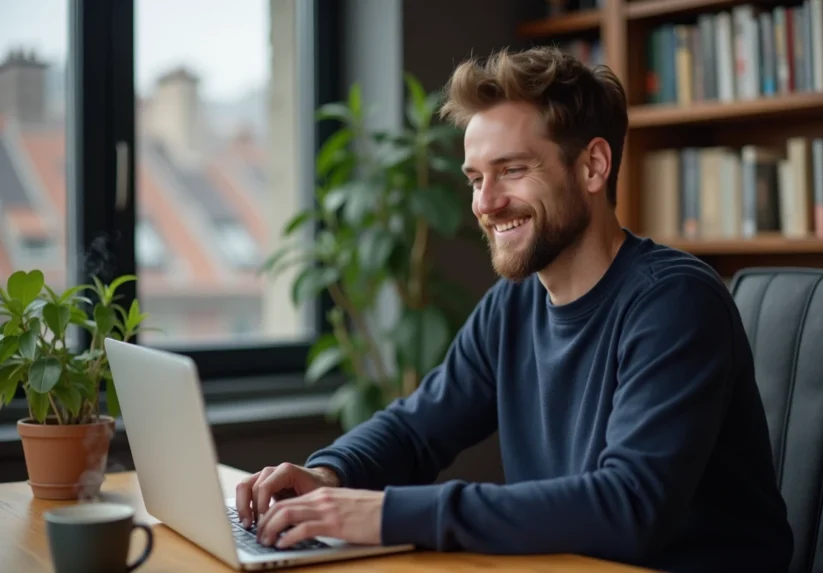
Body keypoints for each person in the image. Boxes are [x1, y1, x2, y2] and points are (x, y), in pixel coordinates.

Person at [235, 46, 794, 572]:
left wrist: (379, 514)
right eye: (476, 178)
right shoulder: (515, 303)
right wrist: (328, 472)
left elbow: (630, 508)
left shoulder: (675, 302)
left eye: (513, 170)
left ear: (593, 166)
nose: (485, 203)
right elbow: (416, 428)